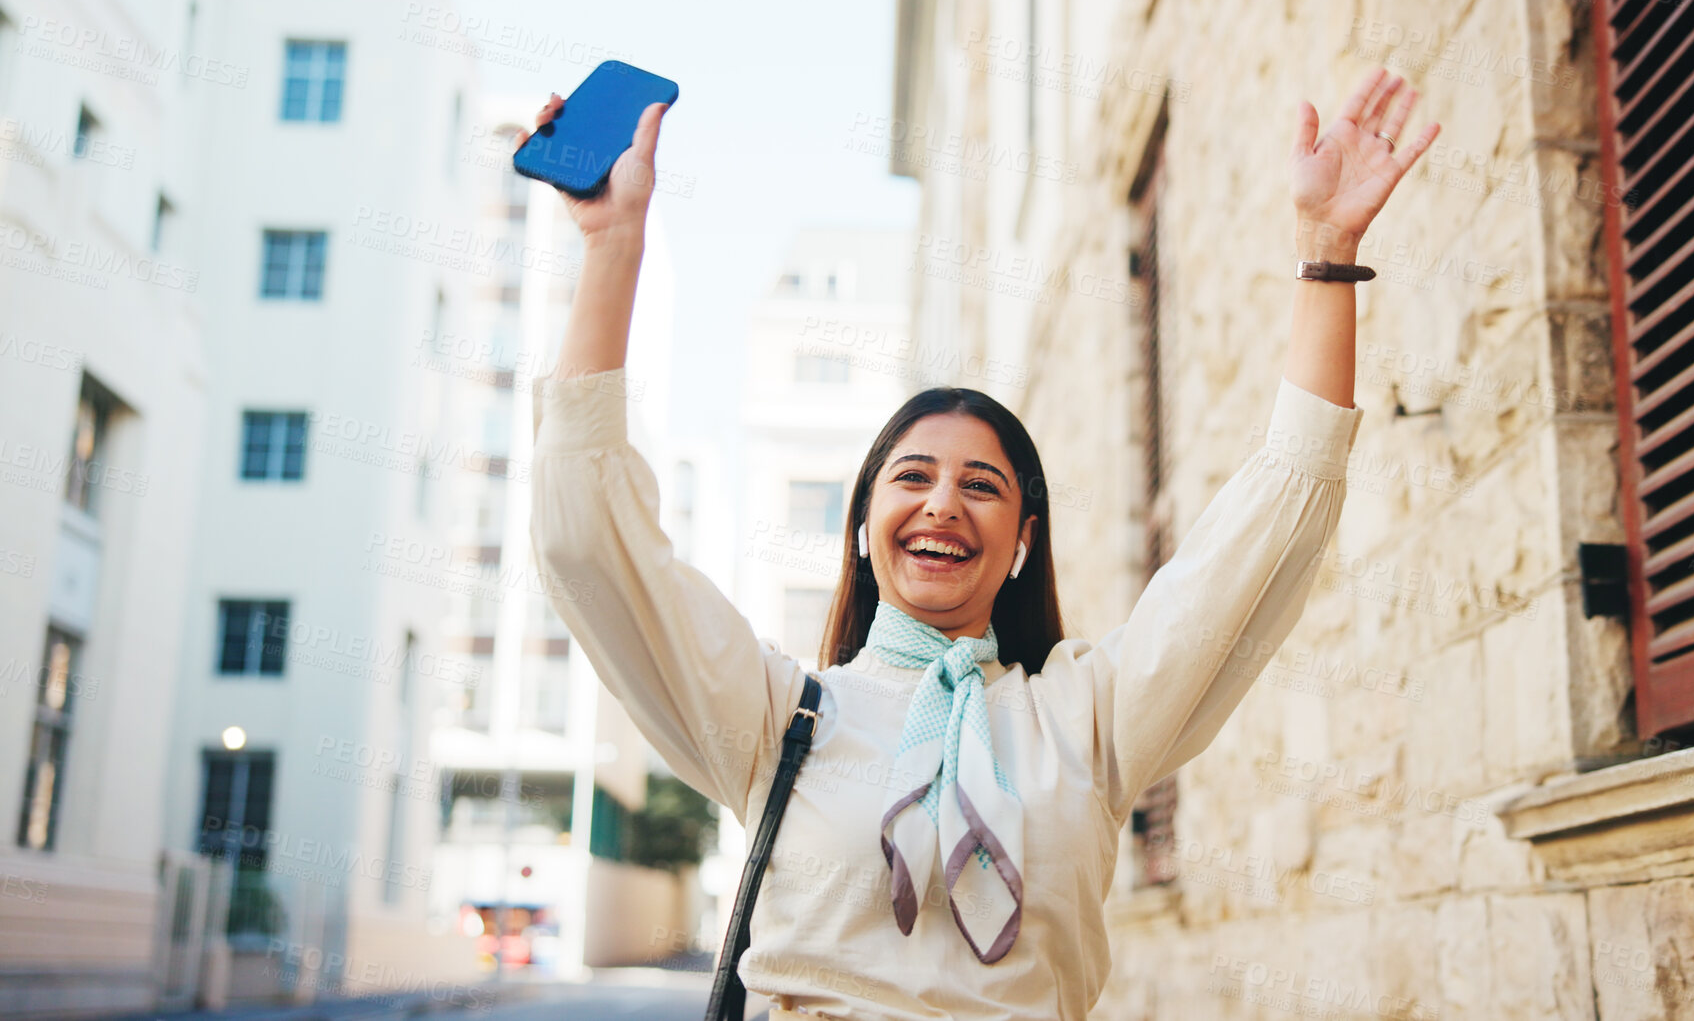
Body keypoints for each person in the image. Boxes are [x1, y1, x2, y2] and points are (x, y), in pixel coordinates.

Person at [520, 66, 1437, 1021]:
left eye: (982, 485)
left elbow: (1267, 530)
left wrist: (1326, 257)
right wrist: (611, 242)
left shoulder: (1084, 717)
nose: (943, 505)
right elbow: (588, 536)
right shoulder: (775, 718)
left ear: (1023, 542)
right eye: (912, 478)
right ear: (865, 531)